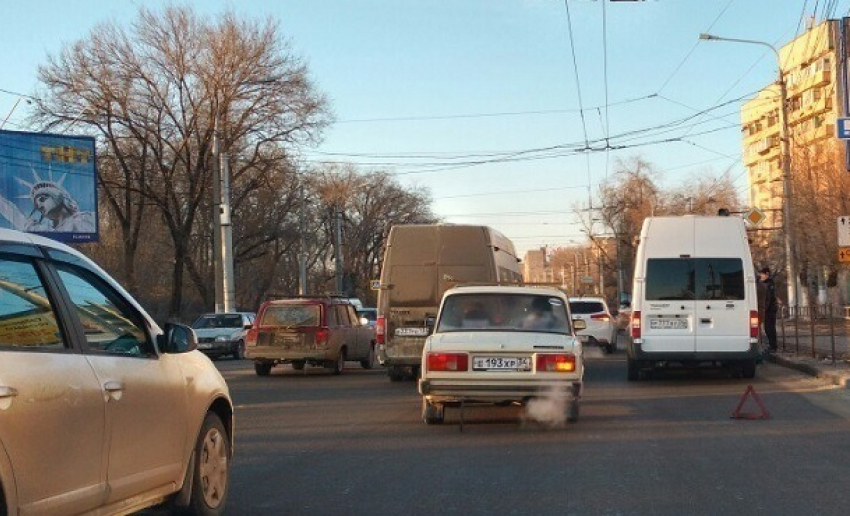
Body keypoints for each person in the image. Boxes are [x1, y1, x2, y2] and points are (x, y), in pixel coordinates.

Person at [757, 266, 778, 352]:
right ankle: (772, 346)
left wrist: (764, 309)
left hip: (770, 310)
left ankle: (773, 346)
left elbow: (768, 299)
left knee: (770, 328)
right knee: (767, 328)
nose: (761, 276)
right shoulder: (766, 283)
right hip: (768, 309)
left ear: (767, 274)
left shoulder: (769, 284)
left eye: (762, 274)